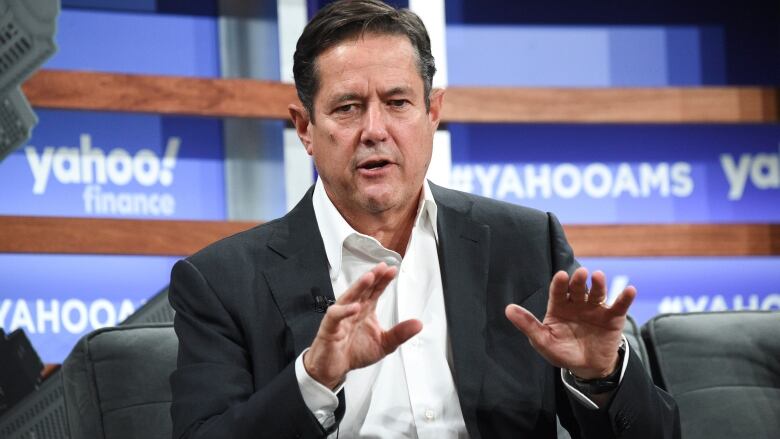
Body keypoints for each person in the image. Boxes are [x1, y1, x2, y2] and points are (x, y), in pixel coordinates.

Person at [168, 1, 680, 438]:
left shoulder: (524, 243)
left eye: (397, 103)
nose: (375, 130)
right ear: (305, 127)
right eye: (347, 108)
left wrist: (601, 376)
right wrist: (313, 380)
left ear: (432, 112)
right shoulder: (222, 281)